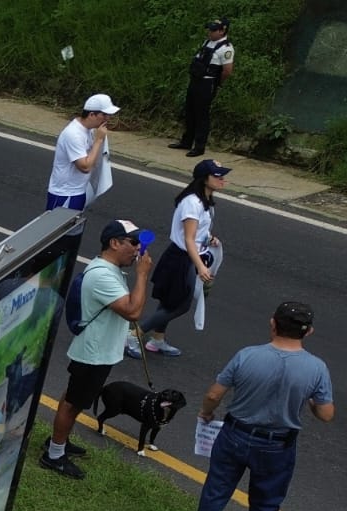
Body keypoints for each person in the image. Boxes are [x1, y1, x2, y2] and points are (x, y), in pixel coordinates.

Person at [183, 301, 333, 511]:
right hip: (278, 445)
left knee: (215, 492)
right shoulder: (317, 368)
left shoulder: (247, 355)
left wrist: (206, 412)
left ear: (273, 323)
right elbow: (325, 414)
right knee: (265, 504)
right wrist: (310, 400)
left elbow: (214, 394)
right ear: (308, 331)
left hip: (235, 435)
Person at [39, 220, 153, 479]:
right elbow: (133, 311)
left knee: (75, 399)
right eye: (133, 243)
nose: (138, 250)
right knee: (72, 403)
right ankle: (54, 455)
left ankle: (59, 442)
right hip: (93, 354)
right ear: (114, 243)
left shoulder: (110, 270)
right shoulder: (102, 275)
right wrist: (143, 275)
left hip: (99, 351)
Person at [129, 159, 229, 359]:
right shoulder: (193, 203)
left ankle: (157, 340)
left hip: (187, 256)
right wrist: (201, 267)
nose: (222, 179)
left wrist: (209, 238)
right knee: (181, 304)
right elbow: (188, 239)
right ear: (204, 178)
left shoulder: (204, 201)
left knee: (169, 300)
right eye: (217, 176)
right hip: (182, 258)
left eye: (222, 175)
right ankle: (134, 335)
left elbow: (198, 231)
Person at [171, 18, 234, 158]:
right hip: (195, 81)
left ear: (222, 31)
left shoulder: (226, 48)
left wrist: (217, 83)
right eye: (209, 29)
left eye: (213, 30)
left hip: (207, 83)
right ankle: (186, 141)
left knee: (202, 116)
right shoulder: (208, 42)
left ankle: (199, 147)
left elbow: (227, 71)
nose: (209, 32)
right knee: (190, 112)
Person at [46, 94, 116, 212]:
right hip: (64, 195)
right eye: (104, 115)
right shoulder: (73, 134)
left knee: (75, 230)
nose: (107, 118)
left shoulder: (88, 130)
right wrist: (98, 140)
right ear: (91, 114)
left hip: (78, 192)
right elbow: (85, 166)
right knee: (58, 230)